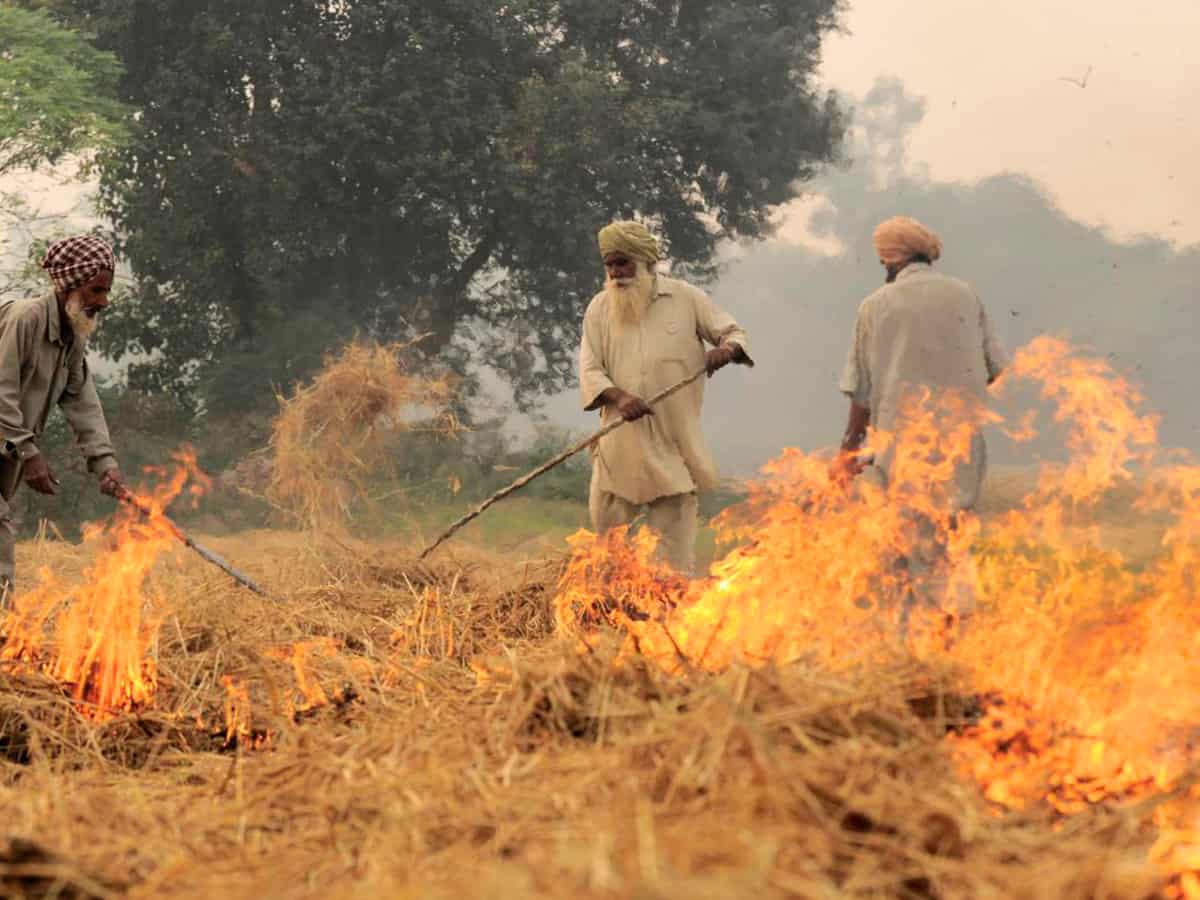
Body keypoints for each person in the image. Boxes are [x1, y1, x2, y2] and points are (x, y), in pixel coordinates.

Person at [833, 216, 1009, 627]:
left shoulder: (876, 304)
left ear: (890, 260)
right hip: (962, 442)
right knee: (951, 538)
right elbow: (995, 369)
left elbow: (861, 392)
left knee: (902, 543)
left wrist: (848, 452)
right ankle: (951, 638)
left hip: (902, 445)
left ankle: (908, 648)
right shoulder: (965, 296)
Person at [578, 221, 752, 576]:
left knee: (671, 566)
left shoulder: (686, 298)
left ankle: (669, 621)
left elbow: (733, 332)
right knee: (607, 559)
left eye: (623, 263)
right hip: (619, 447)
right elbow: (590, 369)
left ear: (645, 261)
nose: (617, 273)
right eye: (610, 265)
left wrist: (727, 349)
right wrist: (619, 397)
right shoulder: (599, 308)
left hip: (673, 445)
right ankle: (604, 622)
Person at [0, 235, 127, 605]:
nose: (103, 301)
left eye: (106, 291)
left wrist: (105, 462)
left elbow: (81, 399)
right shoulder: (24, 320)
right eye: (96, 290)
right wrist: (28, 451)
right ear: (69, 284)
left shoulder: (74, 334)